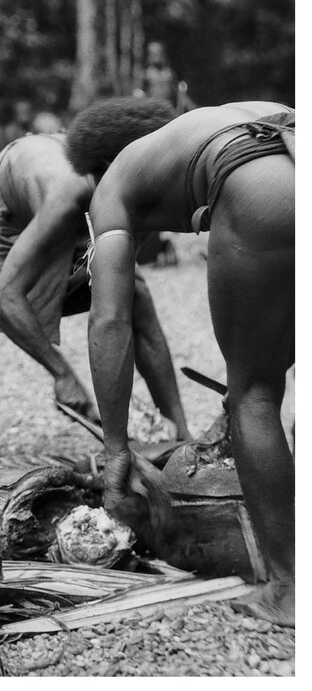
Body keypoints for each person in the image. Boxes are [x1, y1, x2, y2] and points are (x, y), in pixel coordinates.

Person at [69, 99, 294, 627]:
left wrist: (117, 447)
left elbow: (109, 321)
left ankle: (288, 590)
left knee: (253, 398)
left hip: (260, 182)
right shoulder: (196, 127)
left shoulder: (112, 185)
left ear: (97, 167)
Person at [0, 97, 191, 463]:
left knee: (137, 297)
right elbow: (5, 299)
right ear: (114, 165)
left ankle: (179, 431)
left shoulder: (119, 185)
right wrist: (62, 374)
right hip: (7, 204)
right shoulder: (66, 197)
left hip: (68, 182)